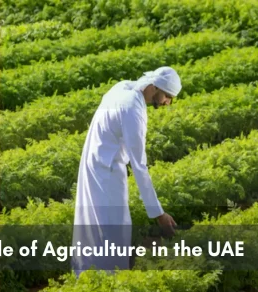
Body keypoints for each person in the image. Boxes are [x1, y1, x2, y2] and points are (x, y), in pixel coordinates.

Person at [72, 66, 181, 277]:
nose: (168, 102)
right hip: (107, 169)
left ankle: (86, 277)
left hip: (94, 160)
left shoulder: (122, 87)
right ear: (156, 87)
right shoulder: (133, 110)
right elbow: (139, 165)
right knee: (115, 228)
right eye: (168, 96)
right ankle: (108, 281)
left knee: (92, 224)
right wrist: (158, 213)